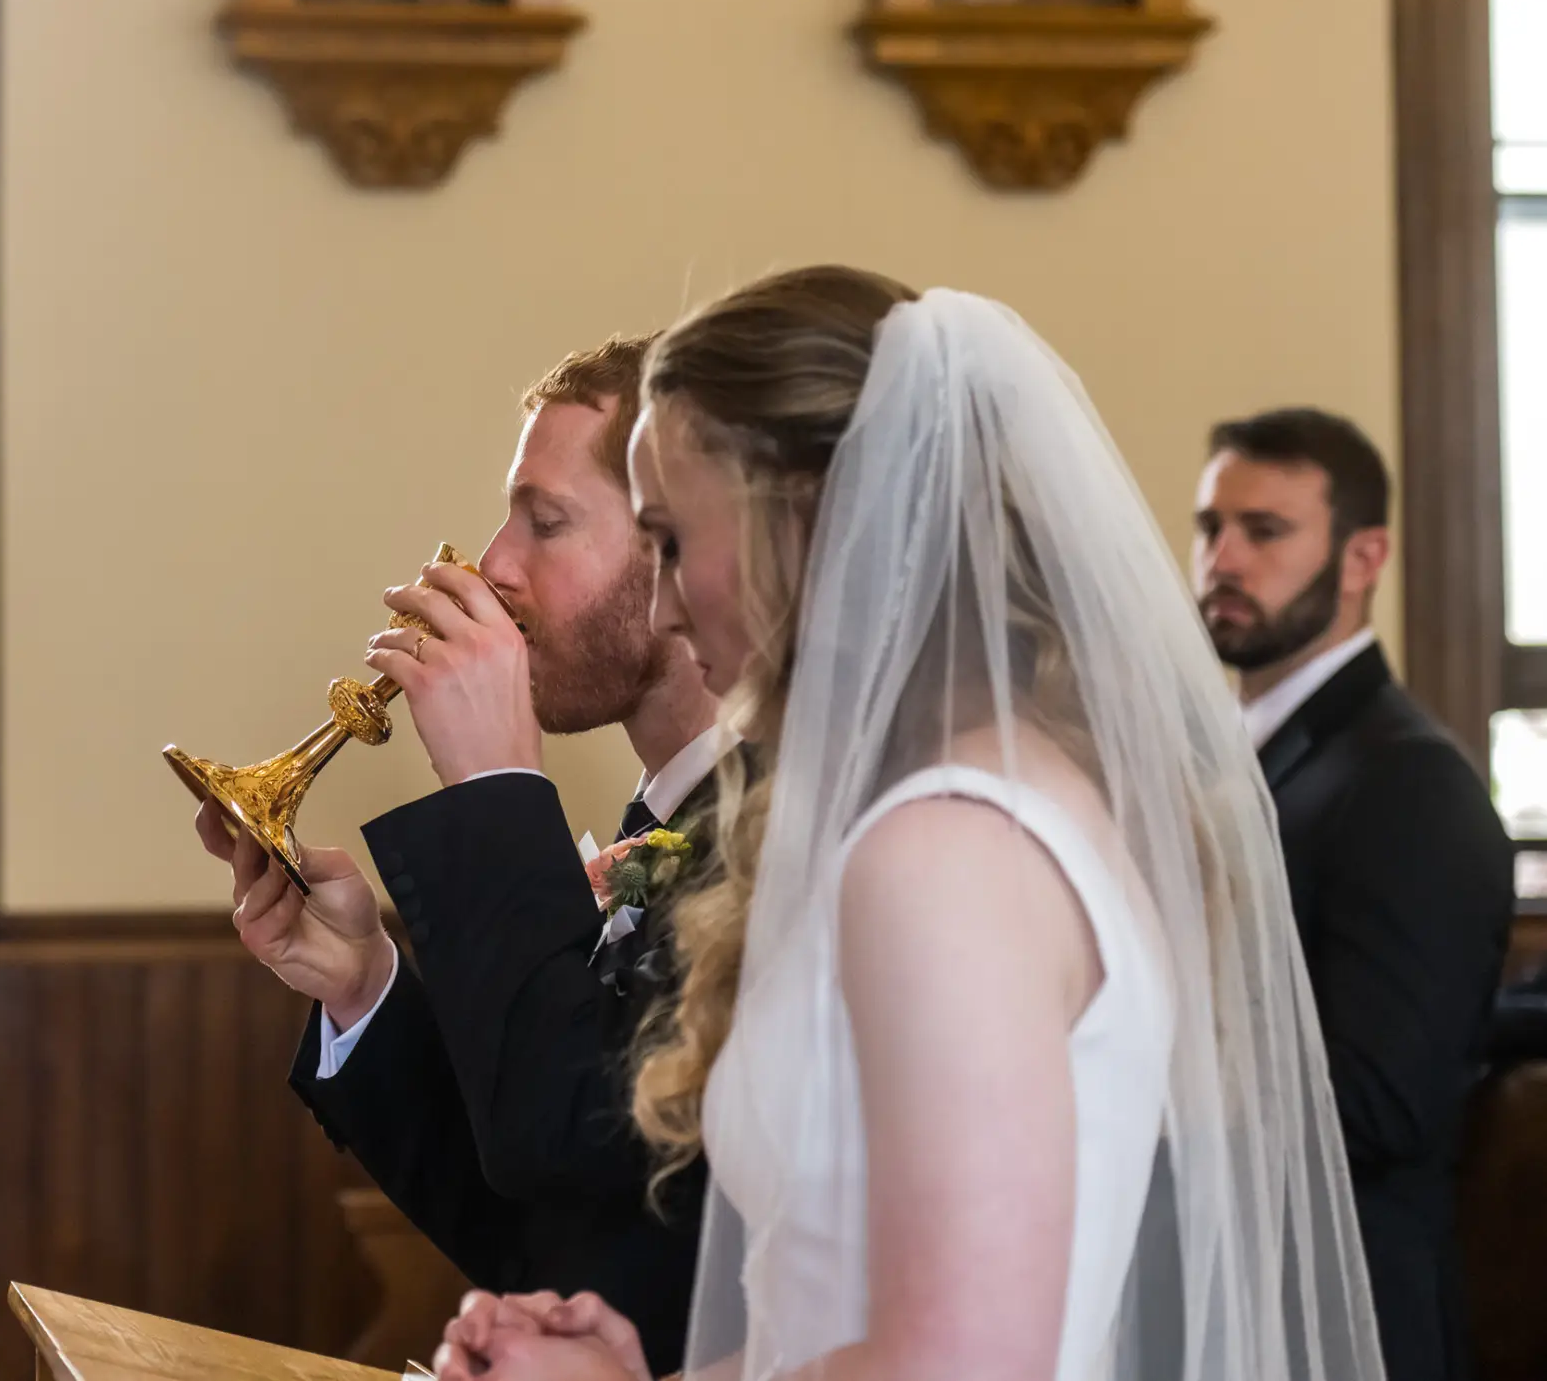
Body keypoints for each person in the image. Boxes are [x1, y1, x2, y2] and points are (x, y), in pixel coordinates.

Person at [432, 268, 1385, 1381]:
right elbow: (873, 1316)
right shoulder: (992, 799)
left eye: (673, 538)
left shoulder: (944, 849)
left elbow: (962, 1365)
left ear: (804, 519)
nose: (666, 594)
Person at [196, 338, 728, 1375]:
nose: (494, 563)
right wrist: (366, 989)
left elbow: (563, 1146)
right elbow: (555, 1216)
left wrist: (496, 786)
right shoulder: (662, 821)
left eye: (547, 519)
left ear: (678, 546)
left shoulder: (782, 840)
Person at [1194, 409, 1513, 1381]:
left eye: (1266, 530)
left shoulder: (1407, 781)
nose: (1224, 560)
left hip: (1346, 1311)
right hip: (1238, 1285)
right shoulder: (1246, 753)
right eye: (1211, 527)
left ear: (1364, 554)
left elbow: (1376, 1104)